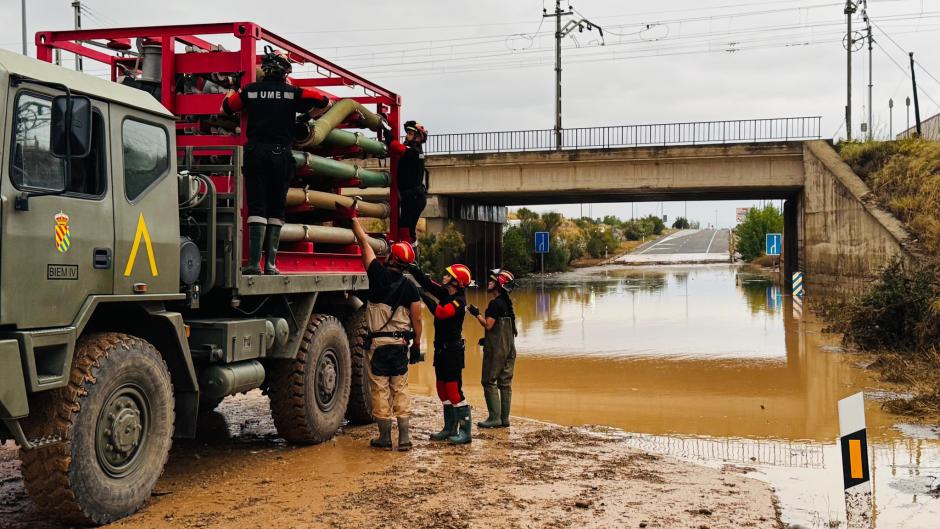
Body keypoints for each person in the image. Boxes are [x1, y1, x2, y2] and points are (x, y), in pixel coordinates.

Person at [222, 46, 331, 275]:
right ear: (284, 72)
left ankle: (253, 264)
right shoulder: (293, 93)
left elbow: (227, 108)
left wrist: (233, 87)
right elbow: (324, 101)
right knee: (276, 209)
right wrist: (304, 116)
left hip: (255, 153)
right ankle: (270, 264)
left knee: (257, 207)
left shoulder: (250, 91)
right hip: (281, 155)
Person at [347, 214, 424, 451]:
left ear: (390, 257)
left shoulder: (377, 274)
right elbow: (417, 318)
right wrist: (417, 345)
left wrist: (353, 220)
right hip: (400, 344)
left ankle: (383, 437)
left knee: (379, 389)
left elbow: (364, 244)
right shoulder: (410, 287)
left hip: (378, 345)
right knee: (400, 388)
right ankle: (404, 439)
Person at [407, 262, 474, 444]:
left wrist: (421, 295)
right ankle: (449, 428)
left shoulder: (459, 301)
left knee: (453, 391)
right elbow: (428, 284)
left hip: (453, 352)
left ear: (456, 282)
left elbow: (441, 312)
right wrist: (413, 269)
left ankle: (465, 433)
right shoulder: (446, 293)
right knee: (441, 389)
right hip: (441, 350)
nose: (444, 276)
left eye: (448, 275)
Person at [468, 269, 518, 429]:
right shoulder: (506, 304)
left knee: (488, 381)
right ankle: (504, 419)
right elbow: (502, 330)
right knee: (505, 383)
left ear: (499, 285)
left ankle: (494, 418)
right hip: (509, 349)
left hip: (496, 350)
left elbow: (488, 325)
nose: (488, 282)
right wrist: (486, 339)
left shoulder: (495, 303)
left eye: (491, 281)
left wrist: (476, 314)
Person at [383, 120, 428, 244]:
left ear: (418, 137)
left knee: (406, 230)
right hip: (413, 197)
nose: (407, 135)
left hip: (414, 197)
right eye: (407, 133)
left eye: (410, 133)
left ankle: (408, 257)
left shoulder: (414, 152)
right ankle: (408, 255)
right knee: (405, 228)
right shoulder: (415, 150)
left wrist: (385, 129)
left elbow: (395, 146)